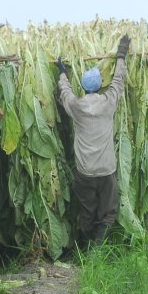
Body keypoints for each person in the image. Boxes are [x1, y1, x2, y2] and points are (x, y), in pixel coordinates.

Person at [57, 35, 131, 247]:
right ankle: (98, 249)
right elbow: (118, 80)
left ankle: (87, 249)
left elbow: (66, 92)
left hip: (85, 172)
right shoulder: (108, 103)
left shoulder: (77, 107)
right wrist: (121, 54)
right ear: (100, 86)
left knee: (86, 211)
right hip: (106, 170)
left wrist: (62, 72)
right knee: (108, 211)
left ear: (84, 86)